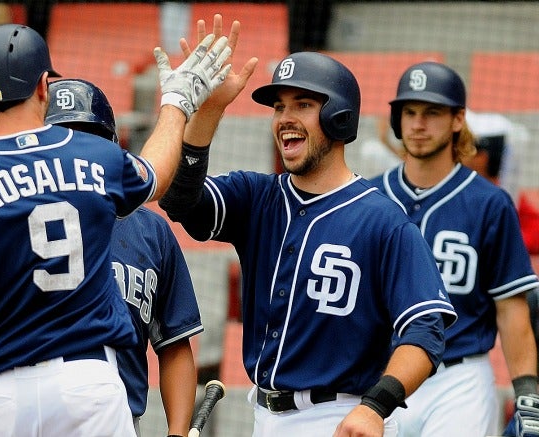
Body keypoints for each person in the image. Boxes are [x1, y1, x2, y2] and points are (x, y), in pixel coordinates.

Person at [0, 23, 231, 436]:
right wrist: (177, 103)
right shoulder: (93, 154)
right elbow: (157, 177)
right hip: (87, 384)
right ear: (43, 86)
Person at [158, 17, 457, 436]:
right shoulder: (256, 196)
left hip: (340, 418)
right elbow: (179, 201)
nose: (284, 118)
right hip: (263, 415)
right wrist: (207, 111)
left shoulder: (383, 222)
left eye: (302, 104)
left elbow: (425, 329)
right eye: (279, 106)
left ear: (339, 117)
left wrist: (376, 407)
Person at [369, 61, 539, 436]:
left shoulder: (490, 203)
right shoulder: (367, 197)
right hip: (379, 377)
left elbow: (512, 311)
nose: (418, 124)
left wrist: (527, 392)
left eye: (432, 112)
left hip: (459, 380)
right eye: (409, 113)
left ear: (458, 119)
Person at [45, 78, 204, 437]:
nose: (76, 150)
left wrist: (177, 431)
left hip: (116, 421)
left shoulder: (150, 230)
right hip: (32, 414)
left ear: (114, 148)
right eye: (61, 137)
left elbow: (174, 343)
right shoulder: (14, 219)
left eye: (88, 137)